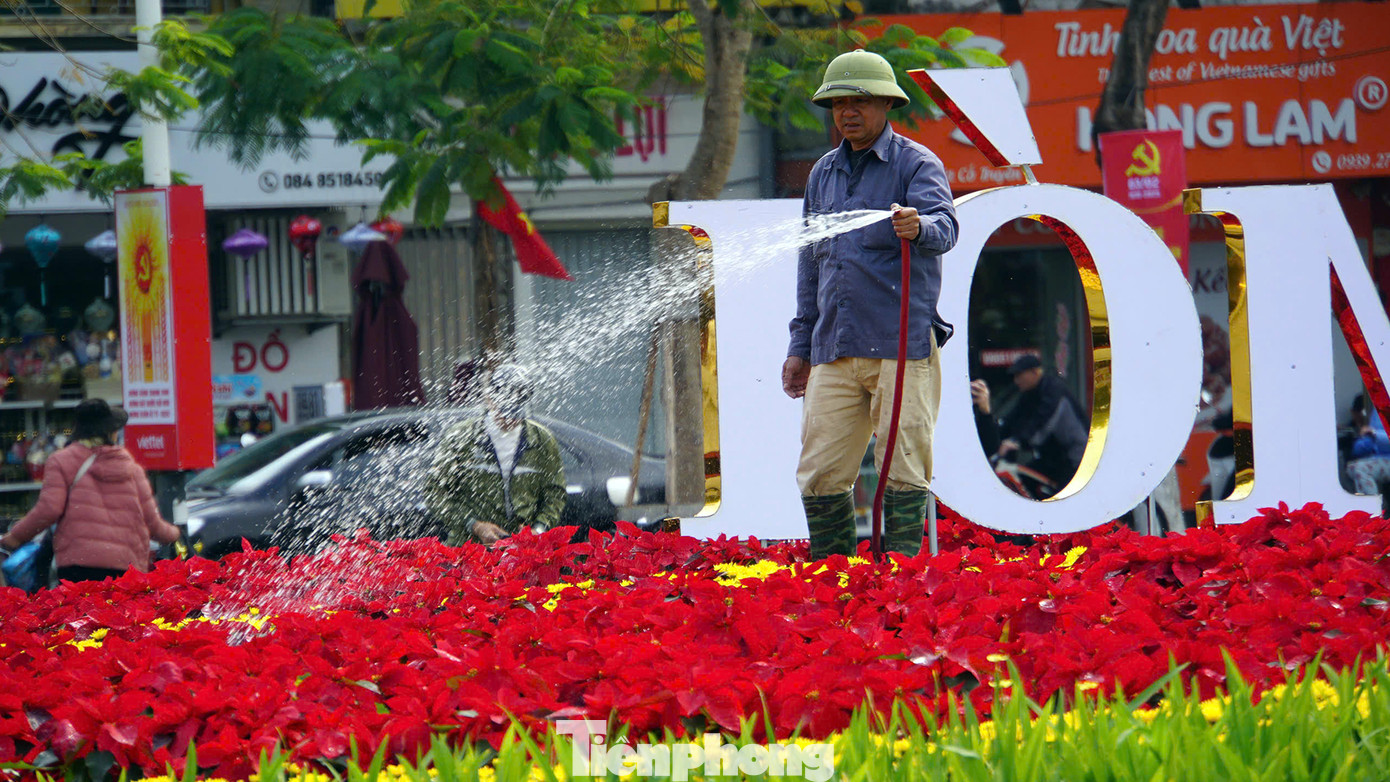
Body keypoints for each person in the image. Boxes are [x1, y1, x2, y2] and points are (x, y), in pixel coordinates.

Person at [781, 49, 959, 559]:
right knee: (818, 471)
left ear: (886, 104)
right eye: (838, 102)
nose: (847, 111)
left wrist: (919, 227)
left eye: (860, 100)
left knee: (903, 468)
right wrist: (800, 345)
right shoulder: (822, 174)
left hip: (900, 346)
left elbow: (946, 228)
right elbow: (810, 265)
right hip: (833, 347)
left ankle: (901, 586)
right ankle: (832, 579)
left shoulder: (917, 164)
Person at [0, 399, 180, 584]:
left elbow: (49, 509)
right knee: (118, 613)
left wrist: (15, 537)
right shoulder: (131, 468)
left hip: (79, 565)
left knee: (82, 612)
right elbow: (152, 522)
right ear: (110, 432)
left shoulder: (61, 461)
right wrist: (174, 534)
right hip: (126, 567)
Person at [424, 364, 567, 545]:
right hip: (468, 549)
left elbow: (555, 494)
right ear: (489, 399)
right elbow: (434, 491)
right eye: (504, 411)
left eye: (515, 414)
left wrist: (537, 530)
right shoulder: (461, 438)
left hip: (521, 552)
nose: (509, 420)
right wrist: (474, 525)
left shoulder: (541, 441)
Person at [996, 355, 1089, 493]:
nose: (1016, 381)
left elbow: (1044, 422)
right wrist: (996, 437)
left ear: (1035, 372)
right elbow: (1012, 419)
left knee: (1064, 497)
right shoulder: (1028, 394)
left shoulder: (1053, 390)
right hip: (1051, 457)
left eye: (1019, 375)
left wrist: (1019, 441)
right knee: (1023, 479)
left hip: (1075, 458)